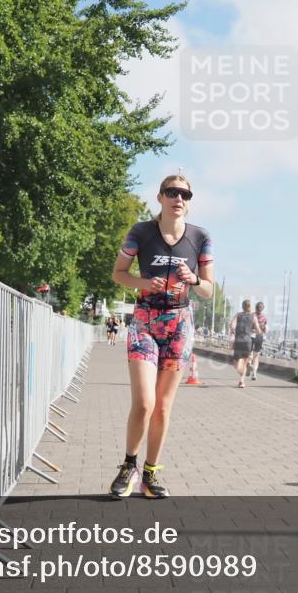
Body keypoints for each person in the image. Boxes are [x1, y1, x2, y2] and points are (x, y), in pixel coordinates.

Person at [108, 174, 214, 499]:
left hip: (179, 324)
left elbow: (209, 290)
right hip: (144, 321)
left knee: (163, 408)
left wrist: (195, 279)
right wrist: (143, 283)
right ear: (160, 197)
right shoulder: (140, 232)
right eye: (172, 192)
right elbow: (118, 274)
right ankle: (129, 466)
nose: (178, 198)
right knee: (144, 402)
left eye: (184, 194)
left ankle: (150, 474)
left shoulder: (200, 237)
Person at [230, 300, 260, 389]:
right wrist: (251, 330)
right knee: (245, 361)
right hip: (247, 341)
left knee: (236, 363)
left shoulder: (238, 315)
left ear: (242, 306)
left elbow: (232, 325)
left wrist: (233, 331)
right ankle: (242, 382)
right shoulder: (253, 316)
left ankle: (241, 369)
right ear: (250, 307)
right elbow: (258, 330)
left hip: (238, 340)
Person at [248, 301, 268, 380]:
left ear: (255, 307)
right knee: (256, 356)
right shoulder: (264, 318)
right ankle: (254, 373)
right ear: (262, 309)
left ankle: (249, 363)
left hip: (251, 336)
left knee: (249, 353)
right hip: (260, 336)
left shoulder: (252, 315)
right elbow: (265, 329)